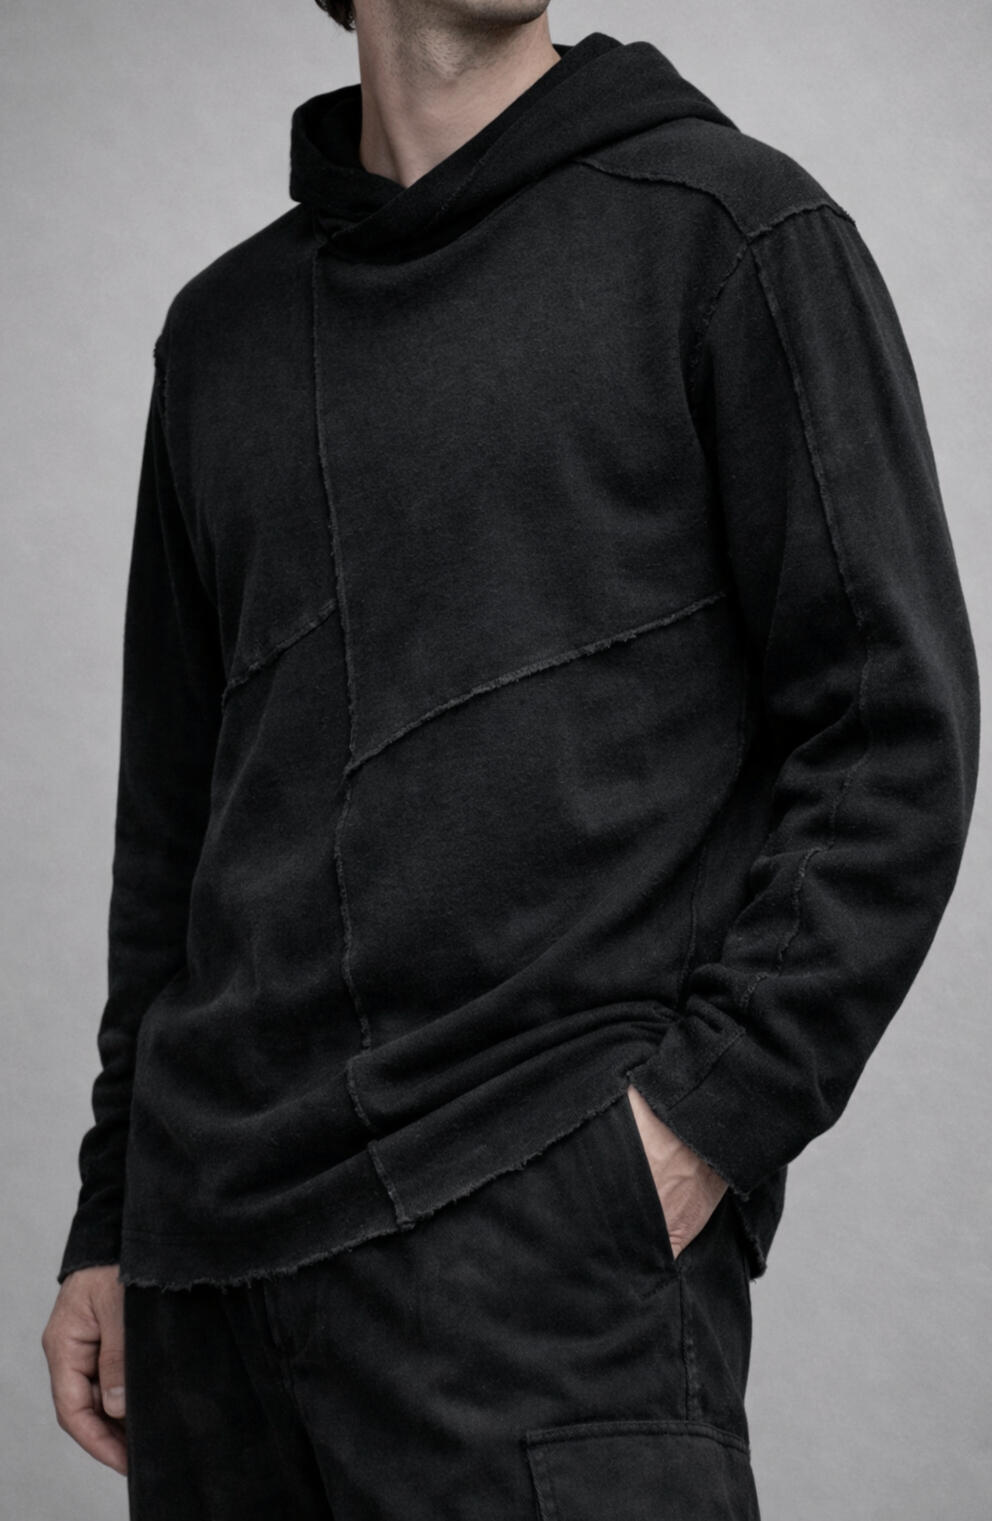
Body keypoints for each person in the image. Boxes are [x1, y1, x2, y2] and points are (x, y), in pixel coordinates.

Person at [42, 3, 980, 1516]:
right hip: (212, 1296)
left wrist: (697, 1126)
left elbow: (892, 733)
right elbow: (174, 829)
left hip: (538, 1255)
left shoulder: (731, 233)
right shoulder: (218, 338)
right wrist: (112, 1212)